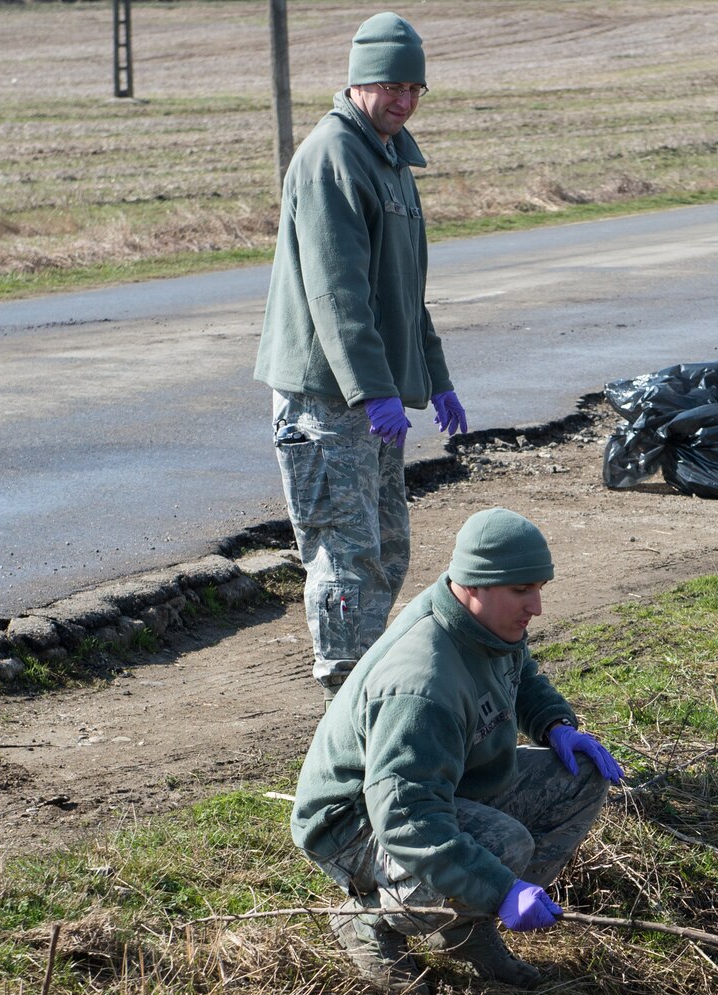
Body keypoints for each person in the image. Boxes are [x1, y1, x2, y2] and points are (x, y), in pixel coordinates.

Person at [289, 508, 624, 993]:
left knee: (580, 778)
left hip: (442, 781)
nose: (536, 607)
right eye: (521, 591)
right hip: (354, 820)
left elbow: (520, 672)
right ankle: (368, 921)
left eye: (538, 589)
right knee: (505, 846)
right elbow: (406, 818)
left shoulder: (487, 624)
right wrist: (500, 888)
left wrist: (553, 724)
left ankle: (465, 927)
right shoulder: (421, 686)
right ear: (475, 584)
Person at [254, 11, 468, 698]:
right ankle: (344, 694)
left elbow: (407, 293)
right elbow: (337, 294)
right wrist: (373, 389)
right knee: (343, 552)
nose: (403, 100)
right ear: (358, 81)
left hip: (369, 398)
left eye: (414, 88)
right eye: (390, 85)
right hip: (327, 398)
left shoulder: (392, 160)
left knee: (385, 548)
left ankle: (365, 685)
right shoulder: (331, 159)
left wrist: (435, 378)